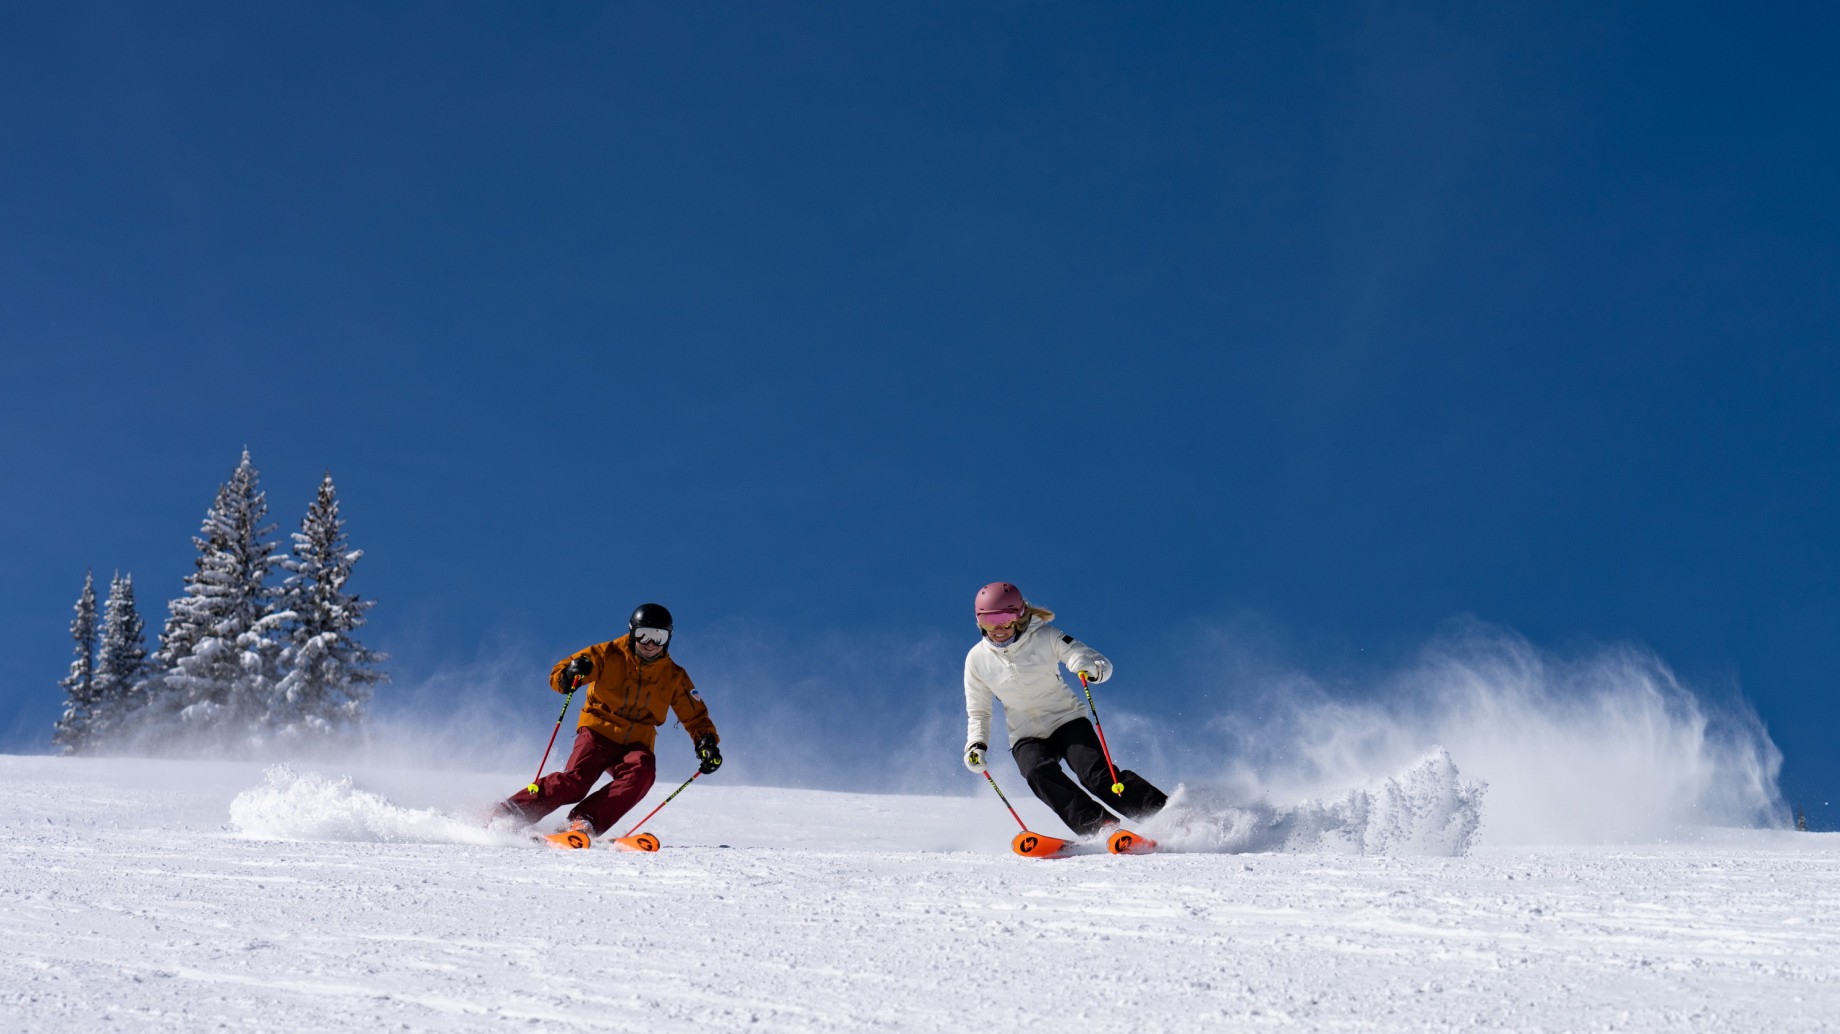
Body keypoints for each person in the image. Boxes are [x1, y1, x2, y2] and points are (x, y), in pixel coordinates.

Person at [498, 603, 722, 841]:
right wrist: (570, 674)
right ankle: (510, 813)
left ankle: (583, 820)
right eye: (643, 634)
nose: (650, 643)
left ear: (668, 639)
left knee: (642, 772)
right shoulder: (608, 653)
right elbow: (559, 674)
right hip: (598, 731)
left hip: (636, 741)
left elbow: (695, 714)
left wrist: (706, 742)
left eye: (658, 636)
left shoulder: (674, 675)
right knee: (577, 781)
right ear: (632, 632)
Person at [962, 581, 1167, 837]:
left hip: (1066, 720)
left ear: (1019, 615)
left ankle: (1165, 815)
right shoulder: (976, 660)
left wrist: (1087, 666)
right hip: (1025, 734)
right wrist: (976, 745)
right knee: (1037, 772)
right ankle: (1099, 827)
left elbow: (1094, 661)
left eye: (1004, 618)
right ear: (979, 621)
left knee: (1096, 776)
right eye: (989, 621)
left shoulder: (1045, 637)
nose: (998, 628)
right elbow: (979, 710)